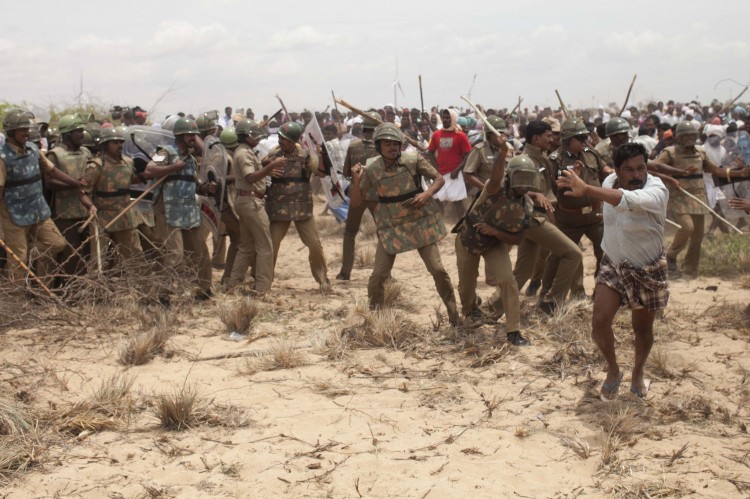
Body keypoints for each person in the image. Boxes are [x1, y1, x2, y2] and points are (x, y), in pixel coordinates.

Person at [557, 142, 669, 400]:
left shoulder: (656, 190)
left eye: (641, 168)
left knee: (642, 330)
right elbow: (590, 194)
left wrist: (586, 188)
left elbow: (623, 200)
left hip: (648, 268)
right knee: (599, 321)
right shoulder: (608, 182)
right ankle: (614, 370)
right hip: (614, 264)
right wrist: (579, 182)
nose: (637, 175)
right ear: (617, 170)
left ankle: (638, 372)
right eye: (629, 170)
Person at [349, 123, 459, 325]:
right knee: (378, 276)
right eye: (387, 143)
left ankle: (454, 315)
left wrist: (427, 194)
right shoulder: (372, 169)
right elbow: (356, 202)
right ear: (378, 146)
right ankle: (376, 318)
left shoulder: (412, 159)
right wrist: (357, 180)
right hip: (391, 227)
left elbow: (439, 179)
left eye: (395, 143)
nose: (392, 147)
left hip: (419, 222)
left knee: (438, 270)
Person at [486, 120, 581, 317]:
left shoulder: (541, 157)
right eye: (548, 136)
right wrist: (534, 195)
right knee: (573, 254)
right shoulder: (525, 159)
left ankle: (491, 309)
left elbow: (549, 187)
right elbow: (510, 187)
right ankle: (552, 302)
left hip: (537, 216)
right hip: (532, 217)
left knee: (523, 271)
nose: (552, 139)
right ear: (536, 138)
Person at [0, 109, 89, 287]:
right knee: (18, 261)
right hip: (14, 214)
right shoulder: (2, 157)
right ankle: (16, 301)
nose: (27, 133)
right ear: (11, 133)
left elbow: (52, 171)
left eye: (27, 129)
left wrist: (75, 183)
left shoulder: (33, 149)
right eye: (22, 130)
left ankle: (32, 265)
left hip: (38, 210)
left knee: (56, 244)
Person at [455, 150, 536, 346]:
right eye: (521, 177)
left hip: (494, 243)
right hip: (468, 239)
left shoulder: (527, 206)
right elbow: (494, 176)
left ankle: (513, 331)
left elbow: (517, 239)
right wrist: (501, 153)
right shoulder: (494, 188)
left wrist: (495, 232)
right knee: (467, 284)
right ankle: (470, 312)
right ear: (511, 176)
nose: (524, 183)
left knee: (508, 280)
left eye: (529, 178)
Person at [658, 122, 750, 277]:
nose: (690, 138)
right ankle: (671, 256)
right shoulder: (669, 152)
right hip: (679, 196)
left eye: (692, 135)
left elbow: (716, 171)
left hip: (698, 196)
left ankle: (690, 270)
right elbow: (655, 167)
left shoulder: (700, 152)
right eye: (686, 135)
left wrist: (738, 173)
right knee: (687, 227)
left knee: (697, 237)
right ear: (678, 137)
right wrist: (673, 176)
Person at [145, 117, 214, 301]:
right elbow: (149, 170)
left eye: (194, 135)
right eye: (190, 135)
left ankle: (203, 289)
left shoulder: (191, 159)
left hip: (188, 211)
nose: (193, 138)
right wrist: (174, 166)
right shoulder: (164, 152)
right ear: (180, 136)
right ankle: (163, 295)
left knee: (199, 250)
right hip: (168, 211)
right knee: (175, 254)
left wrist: (205, 188)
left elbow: (193, 183)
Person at [546, 118, 608, 301]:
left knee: (605, 253)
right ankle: (566, 295)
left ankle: (601, 292)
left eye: (585, 137)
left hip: (595, 215)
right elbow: (554, 190)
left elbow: (602, 168)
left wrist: (609, 170)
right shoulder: (555, 160)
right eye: (579, 138)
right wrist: (572, 179)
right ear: (567, 140)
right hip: (569, 219)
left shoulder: (590, 153)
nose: (584, 141)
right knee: (564, 256)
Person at [264, 122, 330, 289]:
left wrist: (322, 157)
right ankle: (263, 281)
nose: (280, 141)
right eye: (279, 137)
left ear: (293, 140)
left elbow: (320, 173)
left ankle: (322, 279)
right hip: (279, 209)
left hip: (302, 209)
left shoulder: (306, 156)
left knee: (315, 245)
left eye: (284, 139)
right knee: (271, 245)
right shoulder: (273, 153)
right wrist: (269, 168)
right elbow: (262, 167)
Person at [225, 119, 277, 293]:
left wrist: (264, 165)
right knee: (265, 246)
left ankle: (233, 284)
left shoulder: (245, 151)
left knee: (246, 246)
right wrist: (271, 168)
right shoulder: (243, 153)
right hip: (251, 202)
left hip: (245, 201)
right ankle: (262, 288)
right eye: (253, 135)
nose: (257, 138)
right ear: (245, 136)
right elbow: (250, 177)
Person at [79, 127, 144, 263]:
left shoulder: (128, 162)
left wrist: (148, 175)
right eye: (114, 142)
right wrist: (90, 206)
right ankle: (96, 283)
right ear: (105, 145)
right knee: (99, 259)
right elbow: (83, 192)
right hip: (102, 216)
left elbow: (130, 179)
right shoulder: (96, 166)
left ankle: (138, 283)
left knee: (134, 255)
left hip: (125, 215)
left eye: (121, 142)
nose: (119, 145)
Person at [46, 113, 93, 277]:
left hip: (86, 210)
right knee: (70, 253)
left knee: (87, 251)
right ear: (67, 134)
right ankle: (67, 288)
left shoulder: (86, 152)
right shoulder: (55, 154)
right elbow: (49, 182)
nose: (82, 134)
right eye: (78, 131)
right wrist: (74, 183)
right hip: (64, 212)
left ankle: (83, 287)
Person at [336, 112, 381, 281]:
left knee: (350, 232)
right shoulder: (382, 146)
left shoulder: (354, 145)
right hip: (377, 194)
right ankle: (383, 272)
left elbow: (347, 171)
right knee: (382, 233)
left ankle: (345, 272)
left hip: (357, 193)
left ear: (363, 129)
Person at [428, 109, 472, 219]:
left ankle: (462, 225)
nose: (445, 120)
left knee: (457, 202)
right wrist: (436, 168)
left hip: (454, 174)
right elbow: (430, 152)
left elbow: (468, 154)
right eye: (444, 117)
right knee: (438, 200)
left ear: (453, 119)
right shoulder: (436, 134)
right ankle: (441, 224)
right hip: (440, 175)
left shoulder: (460, 135)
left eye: (448, 118)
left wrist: (457, 170)